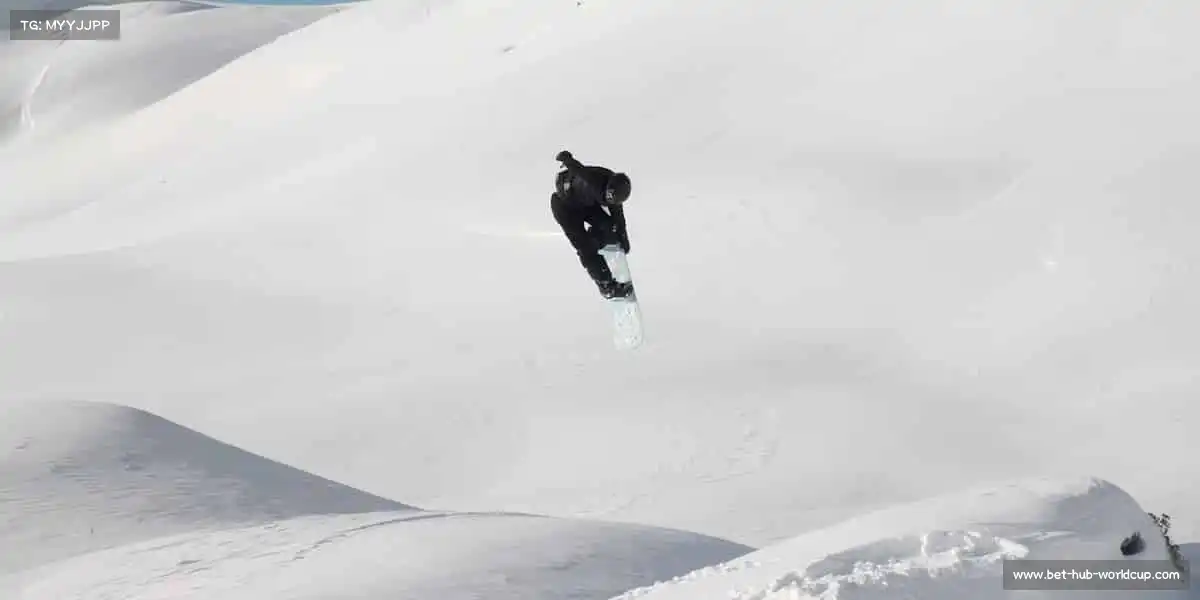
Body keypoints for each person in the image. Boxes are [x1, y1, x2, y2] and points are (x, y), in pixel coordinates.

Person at [550, 150, 633, 298]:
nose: (609, 200)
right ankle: (607, 287)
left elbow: (618, 216)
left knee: (610, 226)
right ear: (608, 187)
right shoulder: (595, 181)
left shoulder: (613, 192)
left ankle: (597, 241)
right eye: (608, 196)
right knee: (585, 247)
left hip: (585, 203)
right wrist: (567, 159)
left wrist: (622, 237)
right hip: (565, 208)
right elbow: (580, 170)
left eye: (612, 199)